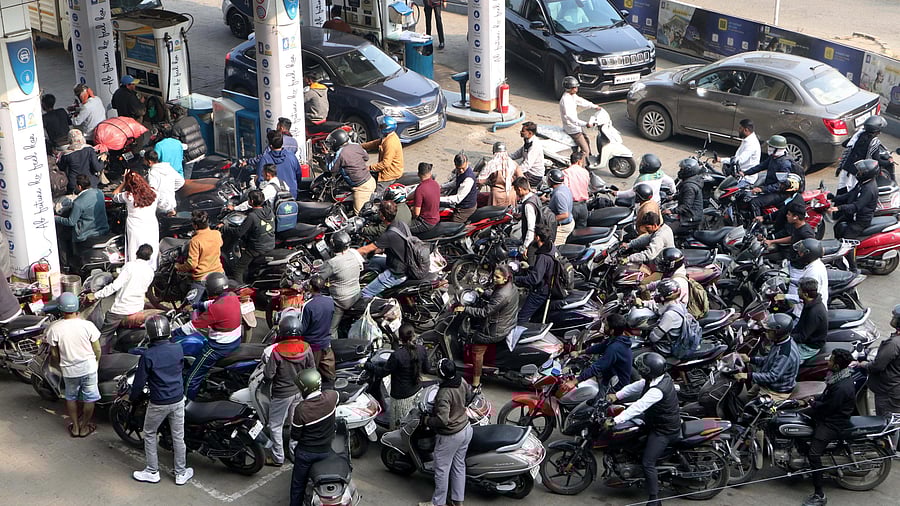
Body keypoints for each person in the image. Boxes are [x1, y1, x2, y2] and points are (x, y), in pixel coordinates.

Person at [607, 352, 682, 506]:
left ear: (651, 371)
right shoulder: (657, 379)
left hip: (664, 430)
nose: (641, 369)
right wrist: (617, 396)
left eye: (644, 368)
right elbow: (637, 385)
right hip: (654, 421)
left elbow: (639, 406)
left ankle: (655, 499)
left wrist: (616, 420)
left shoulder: (657, 390)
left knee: (648, 462)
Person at [129, 315, 193, 485]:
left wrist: (132, 398)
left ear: (149, 333)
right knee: (178, 437)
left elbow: (139, 383)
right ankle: (180, 473)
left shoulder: (148, 355)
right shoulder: (178, 348)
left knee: (149, 434)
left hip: (159, 402)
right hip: (178, 399)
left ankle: (152, 471)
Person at [800, 348, 856, 506]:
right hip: (827, 414)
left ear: (837, 366)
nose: (827, 362)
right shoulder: (838, 377)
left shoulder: (841, 387)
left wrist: (812, 403)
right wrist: (810, 400)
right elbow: (825, 398)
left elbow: (827, 408)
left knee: (814, 455)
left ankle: (819, 495)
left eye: (830, 360)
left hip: (832, 422)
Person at [263, 314, 316, 466]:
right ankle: (294, 453)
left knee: (275, 425)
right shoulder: (306, 348)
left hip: (281, 394)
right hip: (299, 391)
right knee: (296, 423)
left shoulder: (277, 351)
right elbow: (311, 369)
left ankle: (278, 457)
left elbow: (268, 375)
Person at [46, 292, 101, 438]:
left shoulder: (54, 328)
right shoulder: (87, 325)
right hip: (89, 368)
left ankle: (75, 427)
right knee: (90, 398)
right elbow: (97, 349)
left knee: (71, 397)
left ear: (60, 309)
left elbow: (54, 354)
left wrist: (60, 365)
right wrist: (96, 361)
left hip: (69, 371)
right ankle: (84, 428)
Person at [420, 359, 473, 506]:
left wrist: (427, 421)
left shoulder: (444, 393)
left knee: (442, 470)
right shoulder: (460, 380)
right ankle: (457, 500)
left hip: (451, 435)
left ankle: (438, 503)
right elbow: (468, 397)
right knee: (458, 466)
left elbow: (442, 420)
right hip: (465, 429)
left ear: (441, 374)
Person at [183, 272, 242, 400]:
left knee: (192, 377)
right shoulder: (231, 296)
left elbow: (192, 327)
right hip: (234, 341)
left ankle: (185, 406)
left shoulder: (216, 310)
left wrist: (172, 333)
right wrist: (196, 305)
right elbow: (212, 303)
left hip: (218, 347)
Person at [459, 264, 518, 390]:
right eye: (494, 276)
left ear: (505, 278)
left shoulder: (503, 294)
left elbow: (485, 312)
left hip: (496, 329)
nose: (494, 279)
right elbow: (495, 300)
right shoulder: (511, 287)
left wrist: (466, 309)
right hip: (508, 322)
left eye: (497, 277)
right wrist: (485, 292)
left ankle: (475, 383)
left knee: (477, 349)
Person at [290, 369, 339, 506]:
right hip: (326, 450)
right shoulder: (332, 396)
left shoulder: (301, 409)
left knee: (298, 485)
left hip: (306, 453)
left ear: (305, 388)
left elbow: (295, 435)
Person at [94, 244, 155, 353]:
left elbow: (115, 286)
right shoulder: (150, 271)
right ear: (149, 257)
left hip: (120, 310)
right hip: (137, 308)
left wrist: (96, 295)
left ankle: (99, 359)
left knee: (104, 335)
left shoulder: (129, 266)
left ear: (137, 253)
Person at [858, 304, 900, 449]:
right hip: (895, 388)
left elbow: (877, 366)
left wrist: (863, 364)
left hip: (889, 390)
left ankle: (888, 450)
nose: (892, 318)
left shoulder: (894, 344)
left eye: (895, 316)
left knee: (887, 420)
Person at [735, 313, 800, 401]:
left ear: (778, 332)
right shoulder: (780, 342)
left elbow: (772, 376)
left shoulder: (785, 353)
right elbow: (770, 360)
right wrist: (750, 359)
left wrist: (747, 375)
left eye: (769, 331)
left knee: (752, 411)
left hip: (775, 391)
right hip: (765, 384)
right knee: (745, 399)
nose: (766, 332)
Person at [359, 200, 411, 298]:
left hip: (397, 273)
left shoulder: (388, 235)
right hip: (405, 263)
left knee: (365, 293)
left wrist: (350, 253)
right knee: (372, 260)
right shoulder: (400, 224)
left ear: (382, 216)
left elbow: (366, 249)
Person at [55, 174, 110, 267]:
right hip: (102, 229)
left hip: (85, 234)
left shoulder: (78, 203)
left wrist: (56, 218)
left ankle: (66, 265)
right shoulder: (99, 193)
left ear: (79, 187)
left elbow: (71, 222)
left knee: (63, 237)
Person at [320, 230, 364, 338]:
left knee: (330, 329)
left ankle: (332, 348)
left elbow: (318, 279)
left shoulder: (332, 263)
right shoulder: (354, 253)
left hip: (342, 301)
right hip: (357, 294)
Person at [384, 324, 428, 429]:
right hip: (417, 391)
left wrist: (369, 366)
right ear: (413, 335)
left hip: (401, 398)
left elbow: (383, 372)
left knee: (399, 427)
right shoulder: (421, 349)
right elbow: (427, 369)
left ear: (400, 338)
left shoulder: (397, 355)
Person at [112, 171, 159, 265]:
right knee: (152, 249)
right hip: (151, 226)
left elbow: (114, 195)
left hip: (135, 228)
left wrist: (124, 182)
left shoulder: (128, 196)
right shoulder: (154, 193)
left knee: (134, 250)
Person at [175, 210, 224, 301]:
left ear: (195, 225)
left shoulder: (195, 241)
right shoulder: (217, 234)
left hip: (202, 278)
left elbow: (192, 264)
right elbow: (220, 244)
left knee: (190, 306)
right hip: (219, 273)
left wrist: (179, 267)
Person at [575, 313, 633, 390]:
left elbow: (598, 367)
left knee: (596, 400)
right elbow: (601, 347)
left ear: (612, 331)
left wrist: (576, 380)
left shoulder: (615, 348)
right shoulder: (617, 338)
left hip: (616, 387)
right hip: (609, 376)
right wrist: (580, 352)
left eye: (606, 326)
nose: (603, 328)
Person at [228, 190, 275, 284]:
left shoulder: (252, 216)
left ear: (251, 202)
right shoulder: (269, 211)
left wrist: (226, 228)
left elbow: (238, 233)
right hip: (270, 243)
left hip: (256, 249)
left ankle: (240, 292)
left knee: (238, 269)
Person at [741, 135, 798, 211]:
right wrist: (745, 173)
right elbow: (760, 166)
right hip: (770, 187)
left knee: (755, 202)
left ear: (777, 149)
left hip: (780, 193)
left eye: (771, 147)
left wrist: (762, 189)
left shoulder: (784, 164)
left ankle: (758, 222)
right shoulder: (773, 158)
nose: (769, 148)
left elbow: (780, 185)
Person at [836, 115, 892, 192]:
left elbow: (845, 144)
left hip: (846, 168)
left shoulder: (858, 135)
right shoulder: (874, 142)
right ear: (877, 130)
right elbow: (877, 161)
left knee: (841, 190)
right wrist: (889, 161)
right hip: (857, 172)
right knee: (852, 194)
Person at [327, 128, 374, 214]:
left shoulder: (340, 153)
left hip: (361, 188)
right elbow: (366, 157)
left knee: (360, 215)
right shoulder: (356, 146)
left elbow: (331, 168)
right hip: (370, 180)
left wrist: (328, 155)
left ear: (337, 142)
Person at [515, 224, 555, 324]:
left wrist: (516, 279)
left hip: (540, 292)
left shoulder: (543, 256)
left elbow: (534, 279)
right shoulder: (552, 248)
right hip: (548, 286)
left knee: (521, 318)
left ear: (537, 237)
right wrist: (530, 267)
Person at [300, 275, 336, 384]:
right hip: (326, 342)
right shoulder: (330, 301)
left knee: (310, 374)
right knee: (330, 373)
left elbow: (303, 328)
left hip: (313, 345)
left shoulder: (308, 305)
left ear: (310, 287)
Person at [831, 159, 879, 239]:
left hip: (860, 221)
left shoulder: (869, 190)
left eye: (861, 172)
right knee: (838, 227)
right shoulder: (863, 182)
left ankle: (851, 251)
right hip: (852, 215)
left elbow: (856, 206)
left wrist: (839, 208)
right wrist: (834, 199)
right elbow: (851, 194)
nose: (858, 173)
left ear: (867, 174)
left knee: (846, 239)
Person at [646, 279, 694, 356]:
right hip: (677, 337)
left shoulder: (669, 315)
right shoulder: (679, 304)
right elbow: (659, 309)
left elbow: (654, 338)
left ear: (663, 297)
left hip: (667, 348)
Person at [559, 76, 602, 157]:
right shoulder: (565, 101)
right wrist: (585, 124)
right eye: (574, 87)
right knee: (585, 150)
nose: (576, 89)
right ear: (569, 88)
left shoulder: (572, 96)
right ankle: (584, 167)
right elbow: (572, 119)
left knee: (587, 140)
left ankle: (589, 159)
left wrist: (594, 106)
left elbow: (581, 101)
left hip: (577, 127)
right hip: (572, 129)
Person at [361, 116, 404, 191]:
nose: (378, 128)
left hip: (389, 175)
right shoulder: (388, 137)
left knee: (377, 196)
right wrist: (359, 146)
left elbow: (386, 163)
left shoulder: (390, 143)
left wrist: (369, 167)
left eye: (380, 126)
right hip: (385, 171)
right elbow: (375, 143)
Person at [665, 158, 705, 235]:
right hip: (690, 215)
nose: (680, 171)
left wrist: (671, 211)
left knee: (666, 232)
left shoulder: (689, 186)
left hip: (690, 218)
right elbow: (685, 196)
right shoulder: (691, 181)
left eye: (682, 169)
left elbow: (686, 206)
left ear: (688, 171)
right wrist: (673, 197)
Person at [257, 131, 302, 198]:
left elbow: (260, 181)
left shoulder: (265, 159)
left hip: (273, 197)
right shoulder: (291, 156)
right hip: (291, 195)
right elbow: (298, 175)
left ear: (270, 145)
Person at [793, 277, 828, 362]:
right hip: (805, 339)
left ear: (806, 294)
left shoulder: (814, 312)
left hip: (809, 346)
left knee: (787, 360)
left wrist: (785, 337)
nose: (797, 291)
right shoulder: (810, 303)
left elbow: (802, 337)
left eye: (799, 289)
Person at [789, 239, 829, 311]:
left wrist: (784, 296)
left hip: (807, 310)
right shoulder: (814, 264)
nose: (799, 253)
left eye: (801, 252)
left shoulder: (814, 272)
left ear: (808, 254)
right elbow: (804, 283)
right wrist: (789, 280)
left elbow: (806, 296)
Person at [58, 129, 101, 194]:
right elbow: (97, 168)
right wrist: (102, 161)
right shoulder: (89, 149)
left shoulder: (66, 154)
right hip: (90, 182)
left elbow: (61, 168)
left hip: (75, 184)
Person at [440, 152, 479, 224]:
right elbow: (455, 182)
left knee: (452, 226)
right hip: (460, 204)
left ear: (467, 162)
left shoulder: (468, 179)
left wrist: (439, 198)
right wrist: (441, 187)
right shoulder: (459, 172)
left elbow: (458, 198)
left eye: (463, 168)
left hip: (465, 209)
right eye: (458, 168)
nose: (461, 171)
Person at [478, 142, 520, 207]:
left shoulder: (491, 164)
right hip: (511, 194)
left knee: (494, 215)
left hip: (497, 195)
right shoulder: (513, 164)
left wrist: (488, 182)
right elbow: (521, 178)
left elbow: (480, 181)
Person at [145, 149, 185, 215]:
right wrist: (170, 188)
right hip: (172, 204)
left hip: (160, 207)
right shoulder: (168, 168)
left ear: (149, 162)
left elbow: (152, 191)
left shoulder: (152, 173)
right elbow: (181, 181)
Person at [720, 119, 761, 183]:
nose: (738, 130)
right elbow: (736, 156)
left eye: (740, 128)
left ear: (746, 130)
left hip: (746, 178)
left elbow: (739, 160)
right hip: (738, 174)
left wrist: (721, 160)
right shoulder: (747, 139)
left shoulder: (752, 144)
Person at [514, 177, 542, 257]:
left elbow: (531, 228)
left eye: (516, 191)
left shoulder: (528, 205)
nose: (516, 193)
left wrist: (525, 247)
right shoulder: (535, 197)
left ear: (519, 189)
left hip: (532, 243)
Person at [510, 122, 545, 187]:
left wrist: (513, 171)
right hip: (527, 171)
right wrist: (507, 157)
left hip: (533, 174)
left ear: (530, 133)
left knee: (511, 181)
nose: (521, 132)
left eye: (523, 131)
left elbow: (527, 165)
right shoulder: (527, 141)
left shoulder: (535, 145)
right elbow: (519, 152)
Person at [547, 168, 575, 245]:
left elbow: (564, 214)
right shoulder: (563, 188)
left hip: (562, 227)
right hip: (567, 222)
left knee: (554, 249)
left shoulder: (558, 194)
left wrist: (549, 219)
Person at [563, 150, 591, 227]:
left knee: (570, 230)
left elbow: (565, 189)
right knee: (581, 232)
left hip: (572, 206)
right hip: (583, 206)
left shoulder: (566, 172)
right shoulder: (585, 172)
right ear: (579, 161)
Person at [410, 162, 440, 233]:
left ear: (418, 174)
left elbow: (416, 213)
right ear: (430, 173)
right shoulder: (436, 184)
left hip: (425, 223)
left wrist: (411, 210)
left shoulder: (420, 189)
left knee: (402, 228)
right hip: (436, 218)